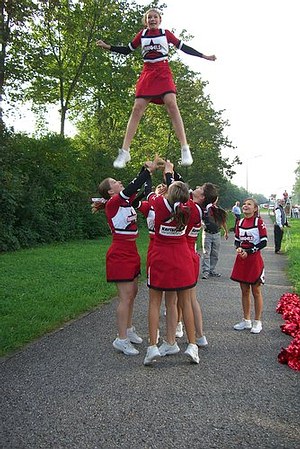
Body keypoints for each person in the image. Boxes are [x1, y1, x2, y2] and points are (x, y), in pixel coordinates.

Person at [96, 8, 216, 169]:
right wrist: (107, 46)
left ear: (160, 20)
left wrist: (204, 56)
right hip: (148, 72)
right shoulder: (142, 35)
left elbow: (184, 47)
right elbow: (127, 50)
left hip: (163, 71)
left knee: (171, 104)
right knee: (137, 108)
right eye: (149, 17)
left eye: (155, 17)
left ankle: (184, 147)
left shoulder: (166, 34)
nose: (152, 19)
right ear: (146, 21)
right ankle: (124, 151)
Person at [92, 160, 157, 356]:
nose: (118, 181)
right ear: (110, 192)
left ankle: (128, 330)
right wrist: (147, 170)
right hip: (119, 253)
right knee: (125, 297)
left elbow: (140, 190)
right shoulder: (114, 203)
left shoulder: (125, 201)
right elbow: (133, 185)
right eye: (114, 182)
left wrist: (145, 171)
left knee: (133, 293)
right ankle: (120, 339)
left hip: (131, 251)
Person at [144, 161, 199, 365]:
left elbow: (148, 192)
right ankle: (188, 345)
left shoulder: (157, 203)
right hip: (182, 258)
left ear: (168, 192)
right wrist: (170, 172)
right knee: (182, 303)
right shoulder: (191, 208)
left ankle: (152, 347)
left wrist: (161, 171)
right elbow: (179, 190)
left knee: (154, 303)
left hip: (160, 258)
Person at [230, 198, 268, 334]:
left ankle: (257, 322)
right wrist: (239, 249)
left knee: (256, 291)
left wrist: (249, 251)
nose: (245, 206)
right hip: (242, 260)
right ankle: (246, 320)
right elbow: (237, 241)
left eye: (249, 204)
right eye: (244, 204)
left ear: (255, 208)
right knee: (244, 290)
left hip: (254, 260)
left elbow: (264, 242)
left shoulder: (259, 222)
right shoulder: (239, 222)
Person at [201, 194, 228, 279]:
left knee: (215, 253)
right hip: (207, 233)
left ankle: (212, 270)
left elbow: (223, 221)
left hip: (216, 233)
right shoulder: (205, 209)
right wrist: (202, 224)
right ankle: (206, 271)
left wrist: (226, 231)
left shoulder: (218, 209)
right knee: (206, 253)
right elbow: (200, 218)